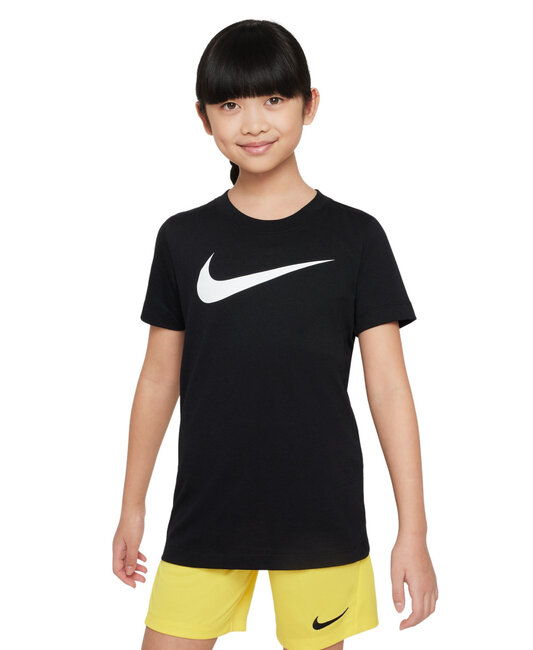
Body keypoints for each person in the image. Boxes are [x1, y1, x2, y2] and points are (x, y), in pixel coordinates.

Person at [113, 18, 438, 650]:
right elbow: (157, 379)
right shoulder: (182, 238)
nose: (253, 123)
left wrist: (414, 533)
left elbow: (390, 390)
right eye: (230, 105)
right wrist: (132, 505)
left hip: (321, 518)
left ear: (309, 105)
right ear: (204, 118)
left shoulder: (357, 237)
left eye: (273, 98)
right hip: (206, 512)